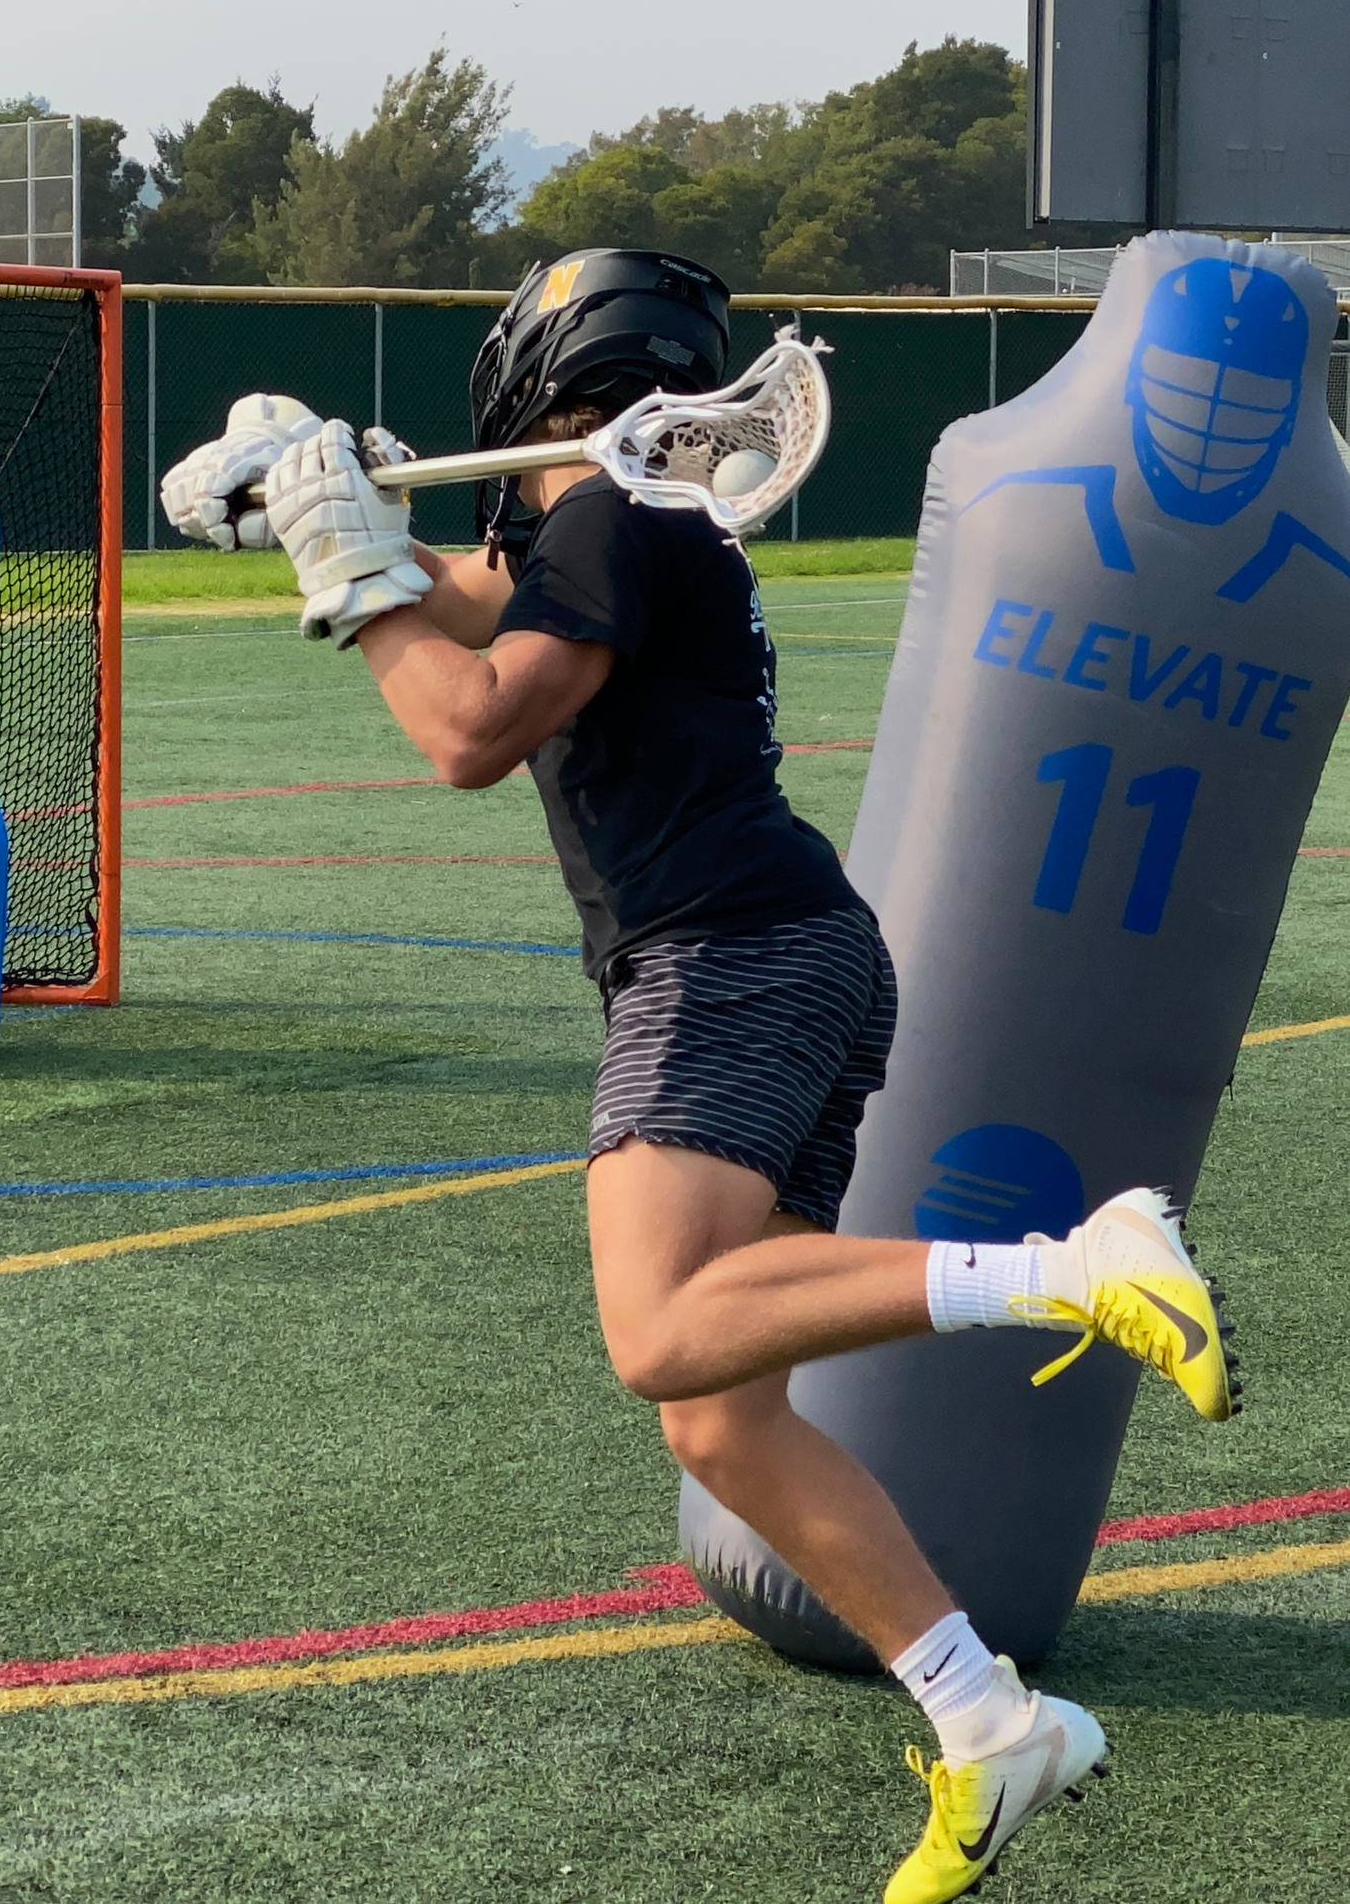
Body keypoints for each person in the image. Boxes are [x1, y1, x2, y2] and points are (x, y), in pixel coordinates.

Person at [162, 248, 1237, 1904]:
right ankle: (985, 1715)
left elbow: (466, 724)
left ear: (533, 371)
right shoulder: (617, 517)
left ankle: (1074, 1264)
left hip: (725, 951)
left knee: (659, 1325)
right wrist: (324, 493)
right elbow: (465, 589)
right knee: (719, 1416)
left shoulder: (609, 515)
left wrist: (338, 558)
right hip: (779, 946)